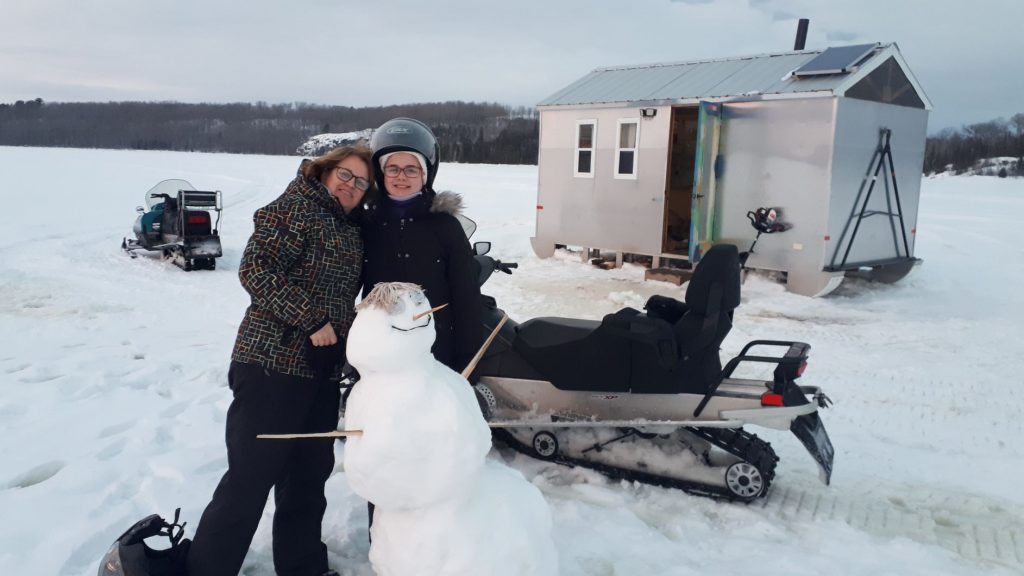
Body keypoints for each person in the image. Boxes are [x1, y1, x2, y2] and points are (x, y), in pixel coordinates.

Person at [186, 146, 372, 576]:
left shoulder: (350, 225)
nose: (351, 186)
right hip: (270, 366)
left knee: (308, 480)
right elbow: (256, 269)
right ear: (326, 171)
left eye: (361, 183)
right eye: (346, 175)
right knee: (249, 480)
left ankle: (303, 567)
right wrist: (311, 319)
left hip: (320, 371)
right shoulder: (294, 208)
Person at [361, 117, 483, 374]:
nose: (401, 177)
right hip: (381, 347)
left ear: (425, 175)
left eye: (411, 169)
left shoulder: (445, 226)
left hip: (436, 349)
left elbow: (466, 295)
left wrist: (467, 357)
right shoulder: (366, 224)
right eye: (393, 168)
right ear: (382, 173)